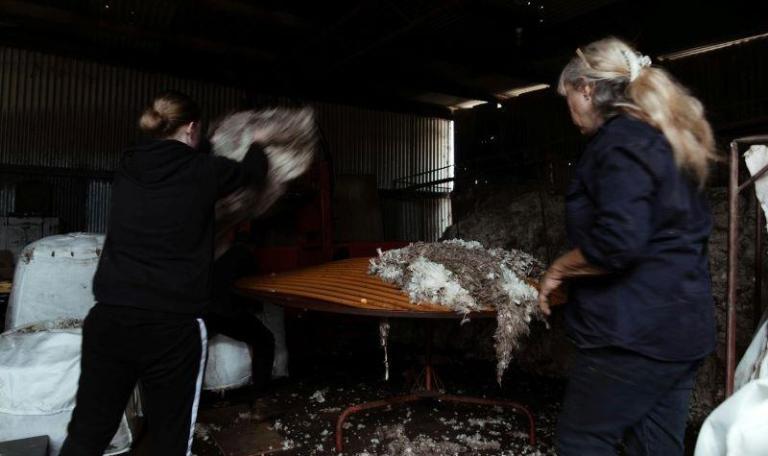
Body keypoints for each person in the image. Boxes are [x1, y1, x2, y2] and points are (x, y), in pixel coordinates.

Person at [61, 91, 268, 456]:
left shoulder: (127, 166)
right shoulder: (205, 172)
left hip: (110, 318)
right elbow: (251, 174)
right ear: (191, 128)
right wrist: (257, 144)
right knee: (171, 441)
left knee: (87, 434)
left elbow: (174, 163)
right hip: (171, 328)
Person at [537, 37, 717, 456]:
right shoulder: (663, 139)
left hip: (632, 334)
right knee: (654, 447)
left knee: (582, 441)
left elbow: (619, 242)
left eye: (568, 99)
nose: (571, 113)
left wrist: (560, 269)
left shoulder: (620, 143)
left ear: (586, 89)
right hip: (681, 332)